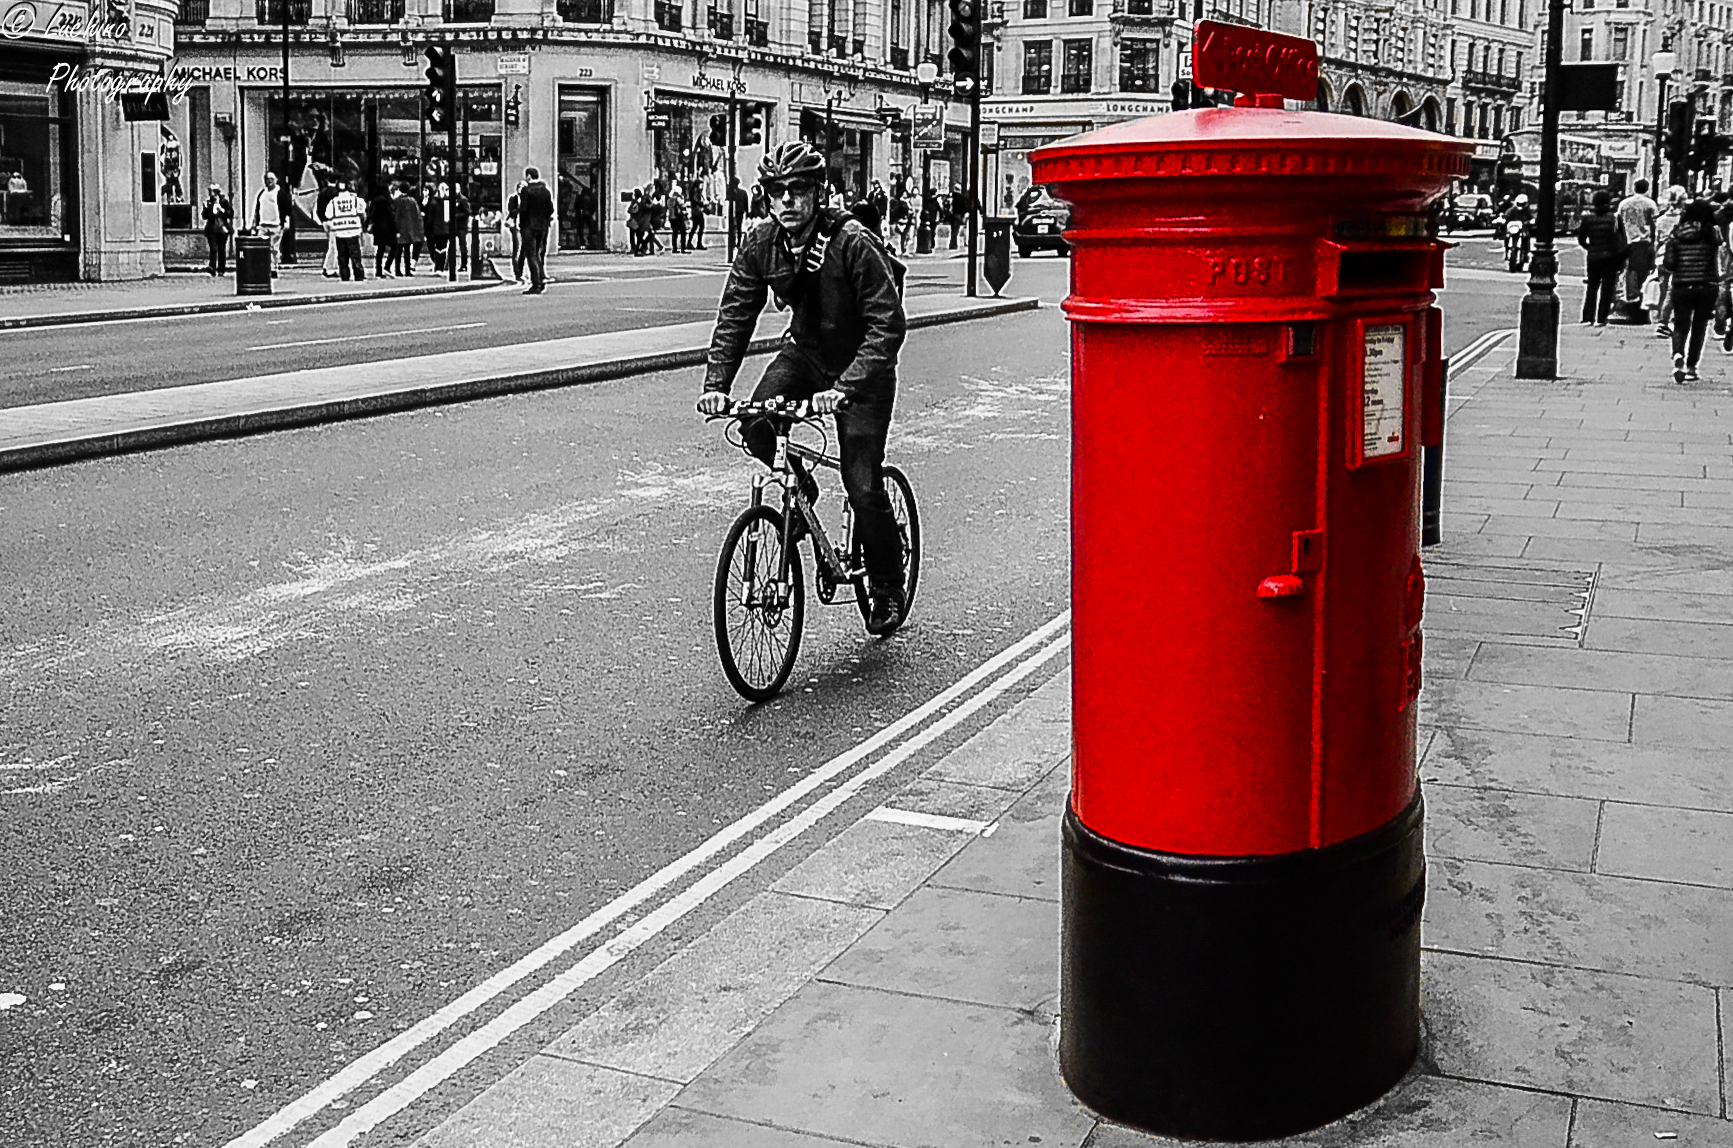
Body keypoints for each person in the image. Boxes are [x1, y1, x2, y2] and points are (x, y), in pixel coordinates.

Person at [695, 141, 910, 635]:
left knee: (861, 482)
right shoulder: (761, 243)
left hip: (864, 367)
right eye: (777, 192)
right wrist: (716, 385)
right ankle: (801, 487)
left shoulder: (852, 242)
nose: (787, 200)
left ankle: (886, 584)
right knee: (755, 424)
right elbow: (735, 315)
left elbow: (887, 326)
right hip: (807, 355)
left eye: (798, 190)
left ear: (817, 193)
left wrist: (847, 386)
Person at [1662, 196, 1723, 382]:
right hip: (1706, 285)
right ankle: (1691, 367)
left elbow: (1669, 264)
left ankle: (1678, 355)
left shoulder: (1676, 234)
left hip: (1682, 285)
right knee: (1699, 327)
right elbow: (1720, 244)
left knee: (1680, 325)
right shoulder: (1712, 233)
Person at [1575, 190, 1624, 326]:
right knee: (1607, 288)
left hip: (1594, 256)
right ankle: (1602, 317)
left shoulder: (1588, 219)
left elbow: (1581, 239)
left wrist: (1590, 247)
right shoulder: (1614, 218)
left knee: (1592, 287)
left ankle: (1587, 317)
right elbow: (1621, 238)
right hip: (1610, 257)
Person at [1616, 179, 1659, 319]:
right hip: (1644, 241)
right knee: (1644, 271)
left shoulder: (1624, 204)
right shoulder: (1650, 204)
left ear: (1634, 188)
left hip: (1628, 239)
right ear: (1647, 188)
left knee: (1630, 270)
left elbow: (1618, 223)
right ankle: (1641, 299)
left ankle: (1631, 298)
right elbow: (1655, 224)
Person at [1654, 184, 1688, 338]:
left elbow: (1657, 240)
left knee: (1663, 289)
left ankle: (1661, 316)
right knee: (1674, 289)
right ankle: (1670, 317)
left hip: (1662, 256)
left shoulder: (1661, 219)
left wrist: (1654, 255)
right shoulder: (1683, 219)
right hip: (1678, 257)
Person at [517, 165, 555, 294]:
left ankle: (536, 283)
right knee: (538, 253)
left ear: (528, 176)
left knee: (531, 255)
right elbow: (550, 209)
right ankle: (541, 279)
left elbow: (523, 209)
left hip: (529, 226)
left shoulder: (526, 190)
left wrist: (522, 224)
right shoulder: (546, 191)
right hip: (542, 226)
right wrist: (543, 219)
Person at [323, 180, 367, 282]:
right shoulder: (355, 200)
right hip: (353, 231)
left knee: (343, 257)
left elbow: (328, 215)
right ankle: (358, 275)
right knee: (355, 256)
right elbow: (362, 211)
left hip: (339, 232)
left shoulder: (333, 202)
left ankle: (345, 276)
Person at [251, 171, 283, 277]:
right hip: (263, 225)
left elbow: (286, 207)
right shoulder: (262, 193)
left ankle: (274, 267)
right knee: (262, 247)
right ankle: (264, 267)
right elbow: (257, 209)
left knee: (274, 248)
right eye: (267, 179)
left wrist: (285, 222)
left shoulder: (280, 192)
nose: (269, 181)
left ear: (276, 180)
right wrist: (254, 223)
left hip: (275, 224)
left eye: (271, 179)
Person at [391, 183, 424, 275]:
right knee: (407, 250)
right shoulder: (412, 201)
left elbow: (394, 215)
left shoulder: (396, 201)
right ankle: (407, 270)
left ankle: (397, 270)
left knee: (398, 250)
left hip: (399, 228)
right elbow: (417, 216)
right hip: (409, 228)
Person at [201, 184, 233, 276]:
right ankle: (212, 267)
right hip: (212, 229)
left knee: (221, 249)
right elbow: (205, 216)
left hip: (222, 229)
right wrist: (206, 209)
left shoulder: (224, 202)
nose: (210, 193)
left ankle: (221, 269)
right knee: (213, 248)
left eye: (211, 191)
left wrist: (222, 210)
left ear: (216, 192)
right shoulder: (208, 203)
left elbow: (230, 213)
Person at [369, 183, 397, 278]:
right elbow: (390, 216)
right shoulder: (387, 201)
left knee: (380, 249)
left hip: (378, 228)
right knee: (394, 246)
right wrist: (396, 229)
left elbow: (371, 215)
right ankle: (387, 266)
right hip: (388, 228)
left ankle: (378, 271)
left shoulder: (374, 201)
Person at [424, 183, 450, 273]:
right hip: (445, 228)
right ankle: (441, 266)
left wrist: (429, 227)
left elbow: (431, 217)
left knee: (437, 247)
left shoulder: (434, 202)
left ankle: (438, 265)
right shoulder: (447, 201)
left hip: (436, 228)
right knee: (443, 247)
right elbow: (448, 217)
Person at [505, 180, 526, 283]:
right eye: (520, 187)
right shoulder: (513, 199)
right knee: (517, 249)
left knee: (523, 251)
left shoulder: (528, 199)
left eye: (523, 187)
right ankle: (517, 272)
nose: (521, 189)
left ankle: (520, 271)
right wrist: (520, 208)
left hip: (526, 227)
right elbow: (511, 211)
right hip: (516, 227)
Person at [687, 178, 708, 250]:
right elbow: (695, 200)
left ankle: (689, 242)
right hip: (697, 210)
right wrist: (702, 203)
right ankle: (699, 243)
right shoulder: (696, 190)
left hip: (694, 210)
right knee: (701, 226)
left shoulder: (692, 190)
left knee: (694, 227)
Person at [668, 183, 689, 254]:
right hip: (678, 217)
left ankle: (674, 248)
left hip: (672, 218)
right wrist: (686, 205)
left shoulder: (670, 199)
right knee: (683, 232)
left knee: (675, 233)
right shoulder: (678, 198)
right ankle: (683, 248)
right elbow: (682, 206)